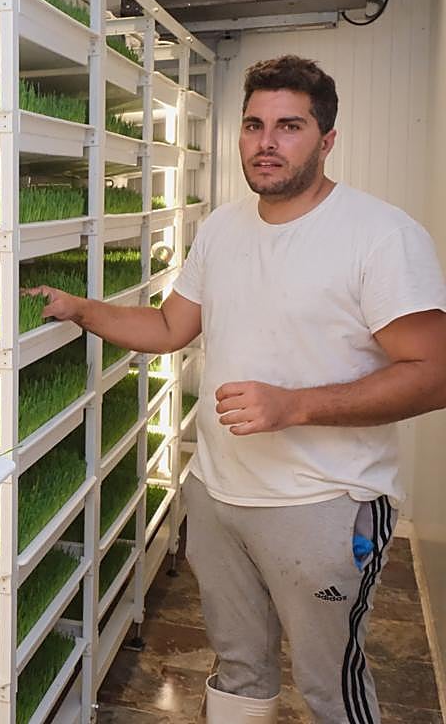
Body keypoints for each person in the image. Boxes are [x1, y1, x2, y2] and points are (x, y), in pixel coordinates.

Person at [29, 55, 446, 723]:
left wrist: (296, 405)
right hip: (220, 496)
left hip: (325, 505)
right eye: (254, 125)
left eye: (289, 126)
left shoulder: (381, 236)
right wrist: (82, 309)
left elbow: (434, 373)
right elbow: (171, 325)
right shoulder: (223, 228)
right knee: (237, 668)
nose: (266, 143)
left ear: (327, 139)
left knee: (328, 686)